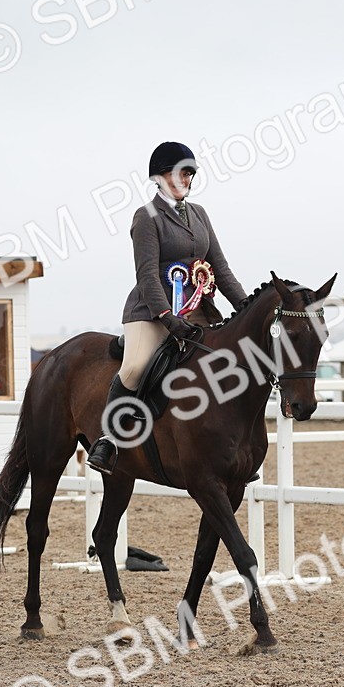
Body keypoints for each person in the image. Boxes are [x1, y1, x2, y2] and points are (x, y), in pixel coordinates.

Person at [86, 141, 249, 474]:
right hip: (151, 311)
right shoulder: (146, 217)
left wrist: (245, 308)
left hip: (198, 309)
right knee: (134, 367)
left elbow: (220, 266)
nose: (185, 179)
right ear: (159, 177)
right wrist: (167, 317)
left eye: (189, 174)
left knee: (222, 363)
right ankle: (109, 440)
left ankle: (231, 445)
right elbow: (146, 274)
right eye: (179, 173)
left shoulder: (200, 214)